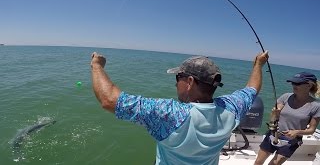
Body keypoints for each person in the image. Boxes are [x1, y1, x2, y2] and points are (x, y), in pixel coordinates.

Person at [91, 51, 269, 165]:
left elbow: (109, 100)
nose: (176, 84)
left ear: (190, 82)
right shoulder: (231, 109)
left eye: (178, 78)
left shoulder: (170, 114)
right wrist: (258, 65)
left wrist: (97, 66)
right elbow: (252, 89)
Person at [254, 72, 320, 165]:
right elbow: (273, 118)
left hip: (291, 141)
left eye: (297, 83)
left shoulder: (316, 106)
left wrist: (296, 132)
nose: (294, 85)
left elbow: (311, 130)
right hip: (273, 134)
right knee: (258, 162)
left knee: (275, 164)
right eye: (293, 83)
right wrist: (274, 114)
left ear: (309, 85)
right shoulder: (286, 97)